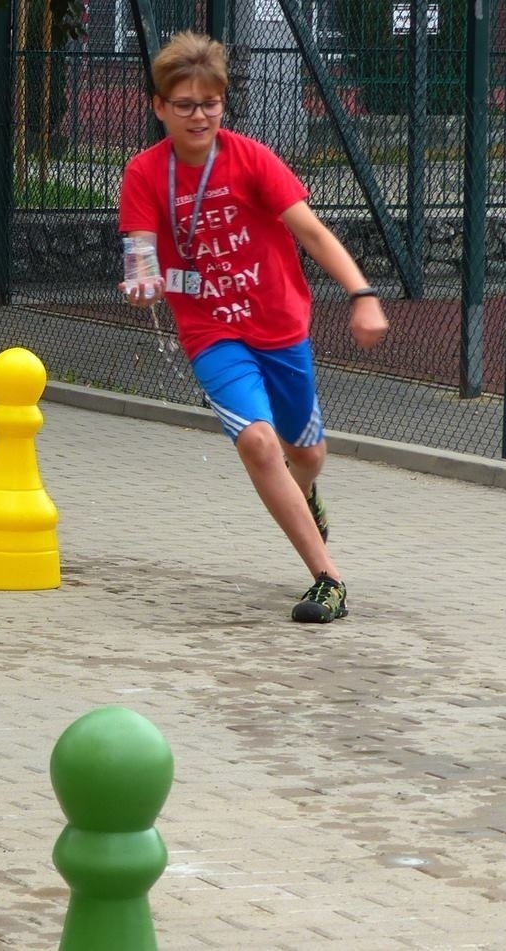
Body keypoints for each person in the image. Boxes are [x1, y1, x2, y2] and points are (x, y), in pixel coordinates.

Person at [117, 31, 389, 625]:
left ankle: (306, 494)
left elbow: (312, 233)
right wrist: (143, 285)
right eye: (184, 105)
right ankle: (328, 580)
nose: (198, 116)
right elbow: (139, 255)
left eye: (210, 103)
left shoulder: (250, 159)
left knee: (307, 454)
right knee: (259, 443)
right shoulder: (144, 173)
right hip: (212, 335)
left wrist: (362, 295)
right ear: (159, 106)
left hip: (279, 325)